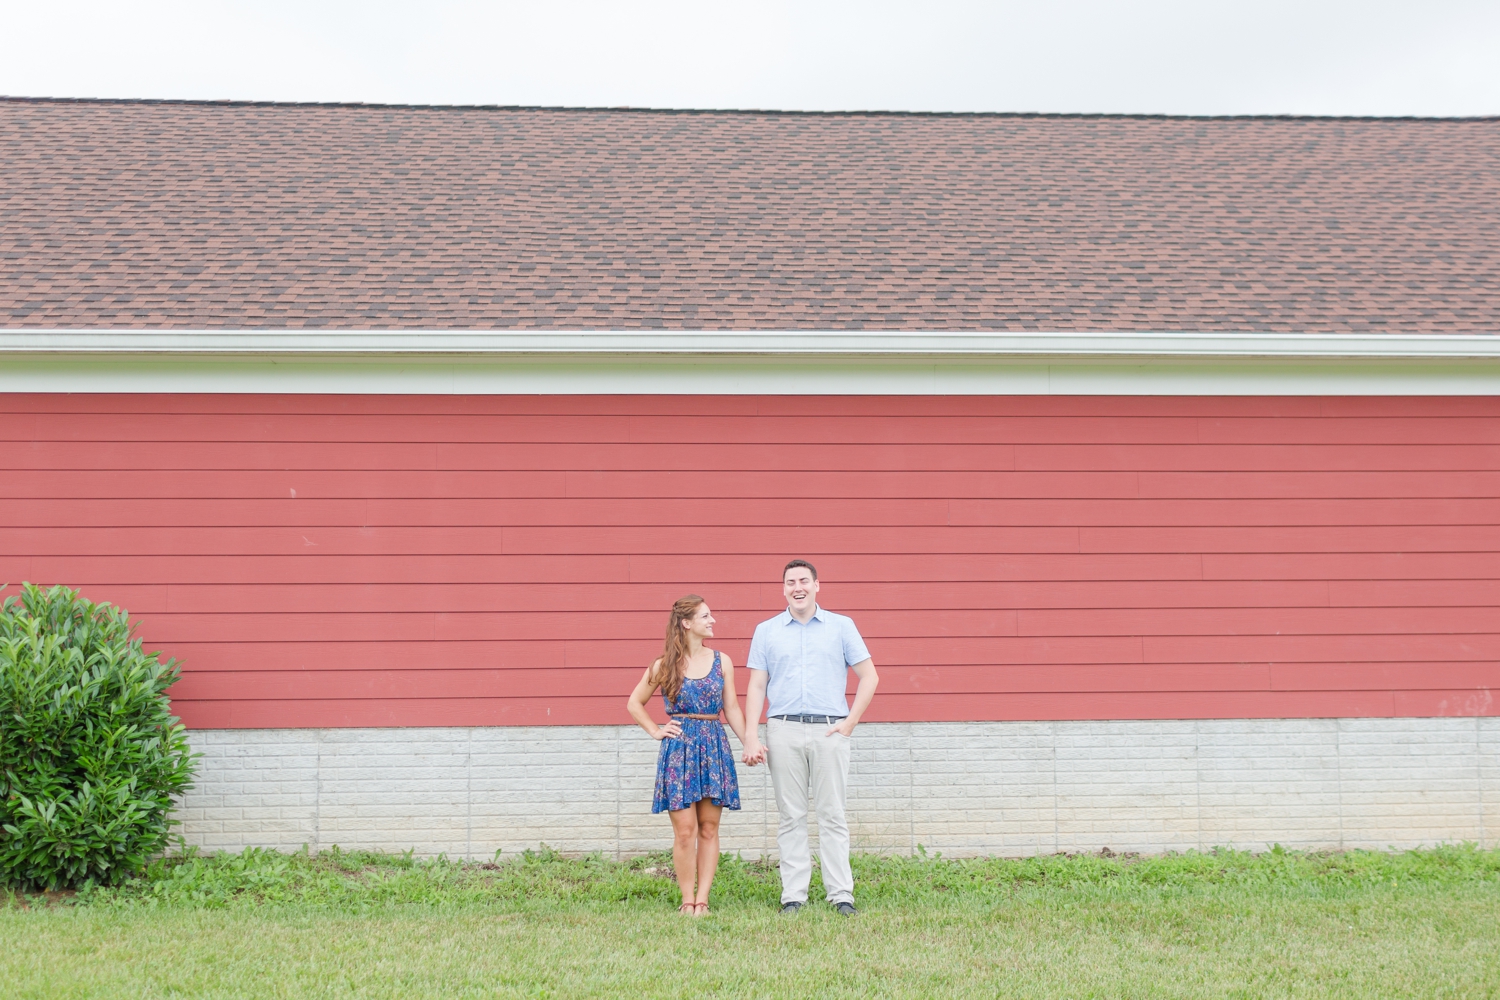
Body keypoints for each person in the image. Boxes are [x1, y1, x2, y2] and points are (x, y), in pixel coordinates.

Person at [740, 560, 878, 916]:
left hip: (830, 729)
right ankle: (793, 896)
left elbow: (869, 676)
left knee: (832, 814)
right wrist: (751, 735)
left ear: (818, 585)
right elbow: (756, 685)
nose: (797, 587)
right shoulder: (767, 630)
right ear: (783, 588)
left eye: (804, 580)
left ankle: (841, 895)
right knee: (791, 816)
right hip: (782, 729)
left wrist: (849, 723)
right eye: (790, 582)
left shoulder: (841, 627)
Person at [626, 595, 751, 916]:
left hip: (713, 746)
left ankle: (703, 901)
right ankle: (686, 899)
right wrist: (656, 730)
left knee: (709, 828)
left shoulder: (722, 661)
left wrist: (750, 740)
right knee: (685, 831)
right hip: (679, 751)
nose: (713, 621)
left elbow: (732, 707)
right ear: (686, 623)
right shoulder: (663, 665)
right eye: (706, 616)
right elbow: (634, 703)